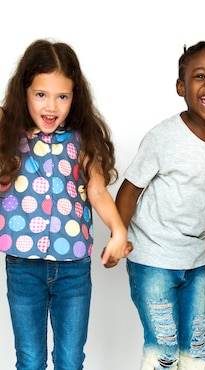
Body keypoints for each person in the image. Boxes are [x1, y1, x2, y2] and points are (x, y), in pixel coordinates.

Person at [114, 40, 205, 370]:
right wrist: (118, 236)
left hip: (194, 258)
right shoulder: (164, 137)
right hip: (152, 255)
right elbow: (130, 190)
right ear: (181, 87)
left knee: (196, 342)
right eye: (199, 76)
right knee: (164, 346)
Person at [0, 39, 129, 369]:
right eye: (41, 94)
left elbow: (98, 192)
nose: (51, 106)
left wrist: (117, 231)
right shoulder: (8, 135)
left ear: (75, 97)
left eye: (62, 96)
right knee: (29, 360)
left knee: (70, 360)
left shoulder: (81, 139)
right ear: (24, 91)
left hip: (72, 268)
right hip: (23, 266)